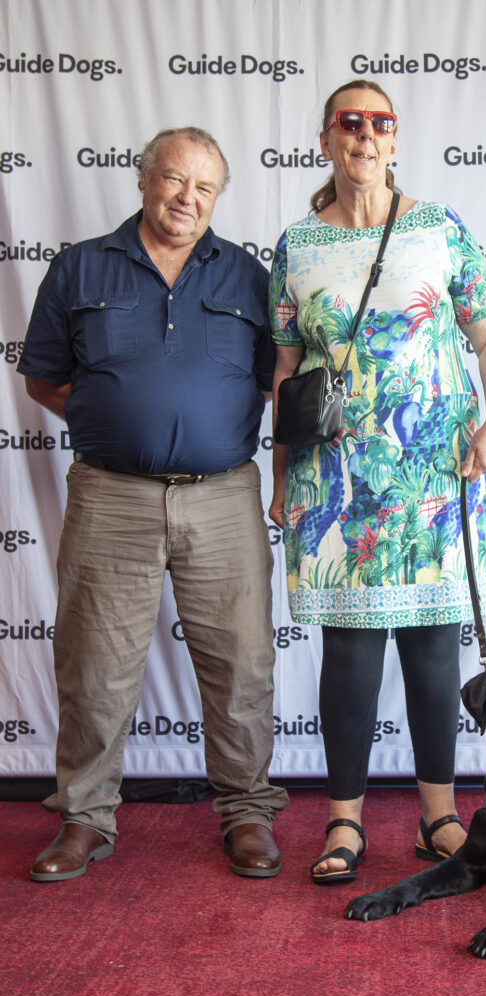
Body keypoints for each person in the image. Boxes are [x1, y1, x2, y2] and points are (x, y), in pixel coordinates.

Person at [18, 127, 288, 882]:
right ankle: (84, 816)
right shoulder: (78, 268)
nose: (186, 198)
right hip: (111, 496)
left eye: (204, 188)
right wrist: (119, 417)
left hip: (224, 498)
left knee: (241, 665)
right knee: (95, 666)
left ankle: (246, 813)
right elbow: (43, 377)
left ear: (217, 198)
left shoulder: (246, 276)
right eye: (174, 180)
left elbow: (276, 380)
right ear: (143, 180)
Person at [268, 81, 486, 883]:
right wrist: (280, 479)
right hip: (333, 473)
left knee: (434, 646)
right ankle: (344, 822)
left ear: (395, 140)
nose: (365, 136)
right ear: (325, 138)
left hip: (436, 472)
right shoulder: (296, 246)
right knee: (348, 651)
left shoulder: (438, 229)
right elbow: (283, 372)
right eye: (350, 122)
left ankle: (437, 815)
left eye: (380, 123)